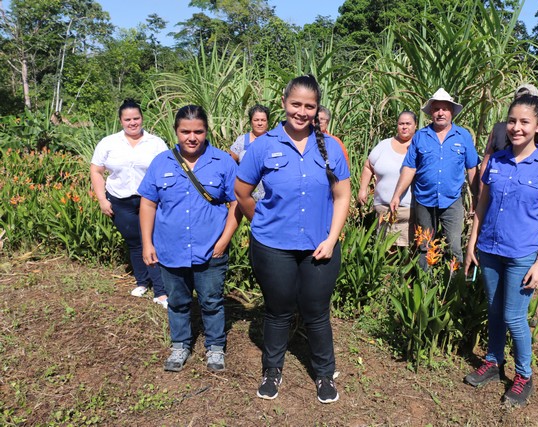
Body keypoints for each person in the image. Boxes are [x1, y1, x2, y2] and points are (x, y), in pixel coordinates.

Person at [235, 74, 350, 403]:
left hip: (319, 246)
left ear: (317, 109)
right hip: (273, 247)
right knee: (278, 310)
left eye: (309, 106)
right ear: (284, 103)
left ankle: (324, 374)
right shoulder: (264, 146)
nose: (302, 111)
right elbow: (242, 192)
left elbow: (342, 196)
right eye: (296, 104)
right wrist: (262, 221)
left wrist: (332, 238)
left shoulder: (329, 147)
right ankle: (272, 369)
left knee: (316, 311)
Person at [463, 95, 538, 407]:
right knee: (494, 309)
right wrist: (471, 242)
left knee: (513, 315)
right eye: (511, 121)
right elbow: (482, 203)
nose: (516, 128)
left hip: (523, 253)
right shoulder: (496, 160)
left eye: (524, 122)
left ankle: (524, 374)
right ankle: (494, 362)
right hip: (490, 248)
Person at [138, 105, 241, 373]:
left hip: (211, 250)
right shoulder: (161, 162)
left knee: (211, 301)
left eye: (198, 131)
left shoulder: (223, 162)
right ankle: (180, 344)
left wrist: (224, 240)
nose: (192, 137)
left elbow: (236, 204)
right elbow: (148, 203)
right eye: (185, 132)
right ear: (176, 131)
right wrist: (147, 243)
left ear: (206, 132)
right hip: (170, 249)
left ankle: (215, 347)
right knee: (178, 301)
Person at [90, 99, 168, 307]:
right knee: (135, 242)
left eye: (136, 118)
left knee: (150, 241)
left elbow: (166, 171)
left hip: (149, 200)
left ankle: (160, 291)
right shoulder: (109, 143)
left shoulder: (156, 143)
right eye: (128, 119)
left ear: (142, 118)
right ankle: (143, 282)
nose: (132, 123)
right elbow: (96, 170)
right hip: (120, 199)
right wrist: (101, 199)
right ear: (121, 121)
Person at [390, 88, 479, 266]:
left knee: (453, 247)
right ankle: (425, 289)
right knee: (425, 246)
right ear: (431, 112)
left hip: (452, 200)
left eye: (444, 109)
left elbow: (472, 168)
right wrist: (397, 195)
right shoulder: (421, 137)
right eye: (436, 109)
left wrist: (477, 197)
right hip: (424, 199)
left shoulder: (463, 136)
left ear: (451, 111)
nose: (440, 113)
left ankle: (454, 289)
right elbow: (409, 168)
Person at [480, 84, 538, 181]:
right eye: (519, 100)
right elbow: (486, 164)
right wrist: (480, 194)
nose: (517, 128)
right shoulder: (498, 129)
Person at [358, 111, 418, 246]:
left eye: (408, 124)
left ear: (415, 126)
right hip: (382, 210)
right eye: (401, 123)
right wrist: (363, 189)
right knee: (383, 251)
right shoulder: (384, 145)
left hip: (407, 211)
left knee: (404, 253)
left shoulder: (419, 147)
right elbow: (368, 166)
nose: (404, 127)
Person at [229, 104, 270, 200]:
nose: (260, 123)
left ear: (267, 122)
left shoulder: (273, 140)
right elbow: (229, 163)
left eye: (263, 120)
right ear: (251, 122)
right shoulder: (242, 141)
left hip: (268, 196)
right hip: (246, 195)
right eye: (256, 120)